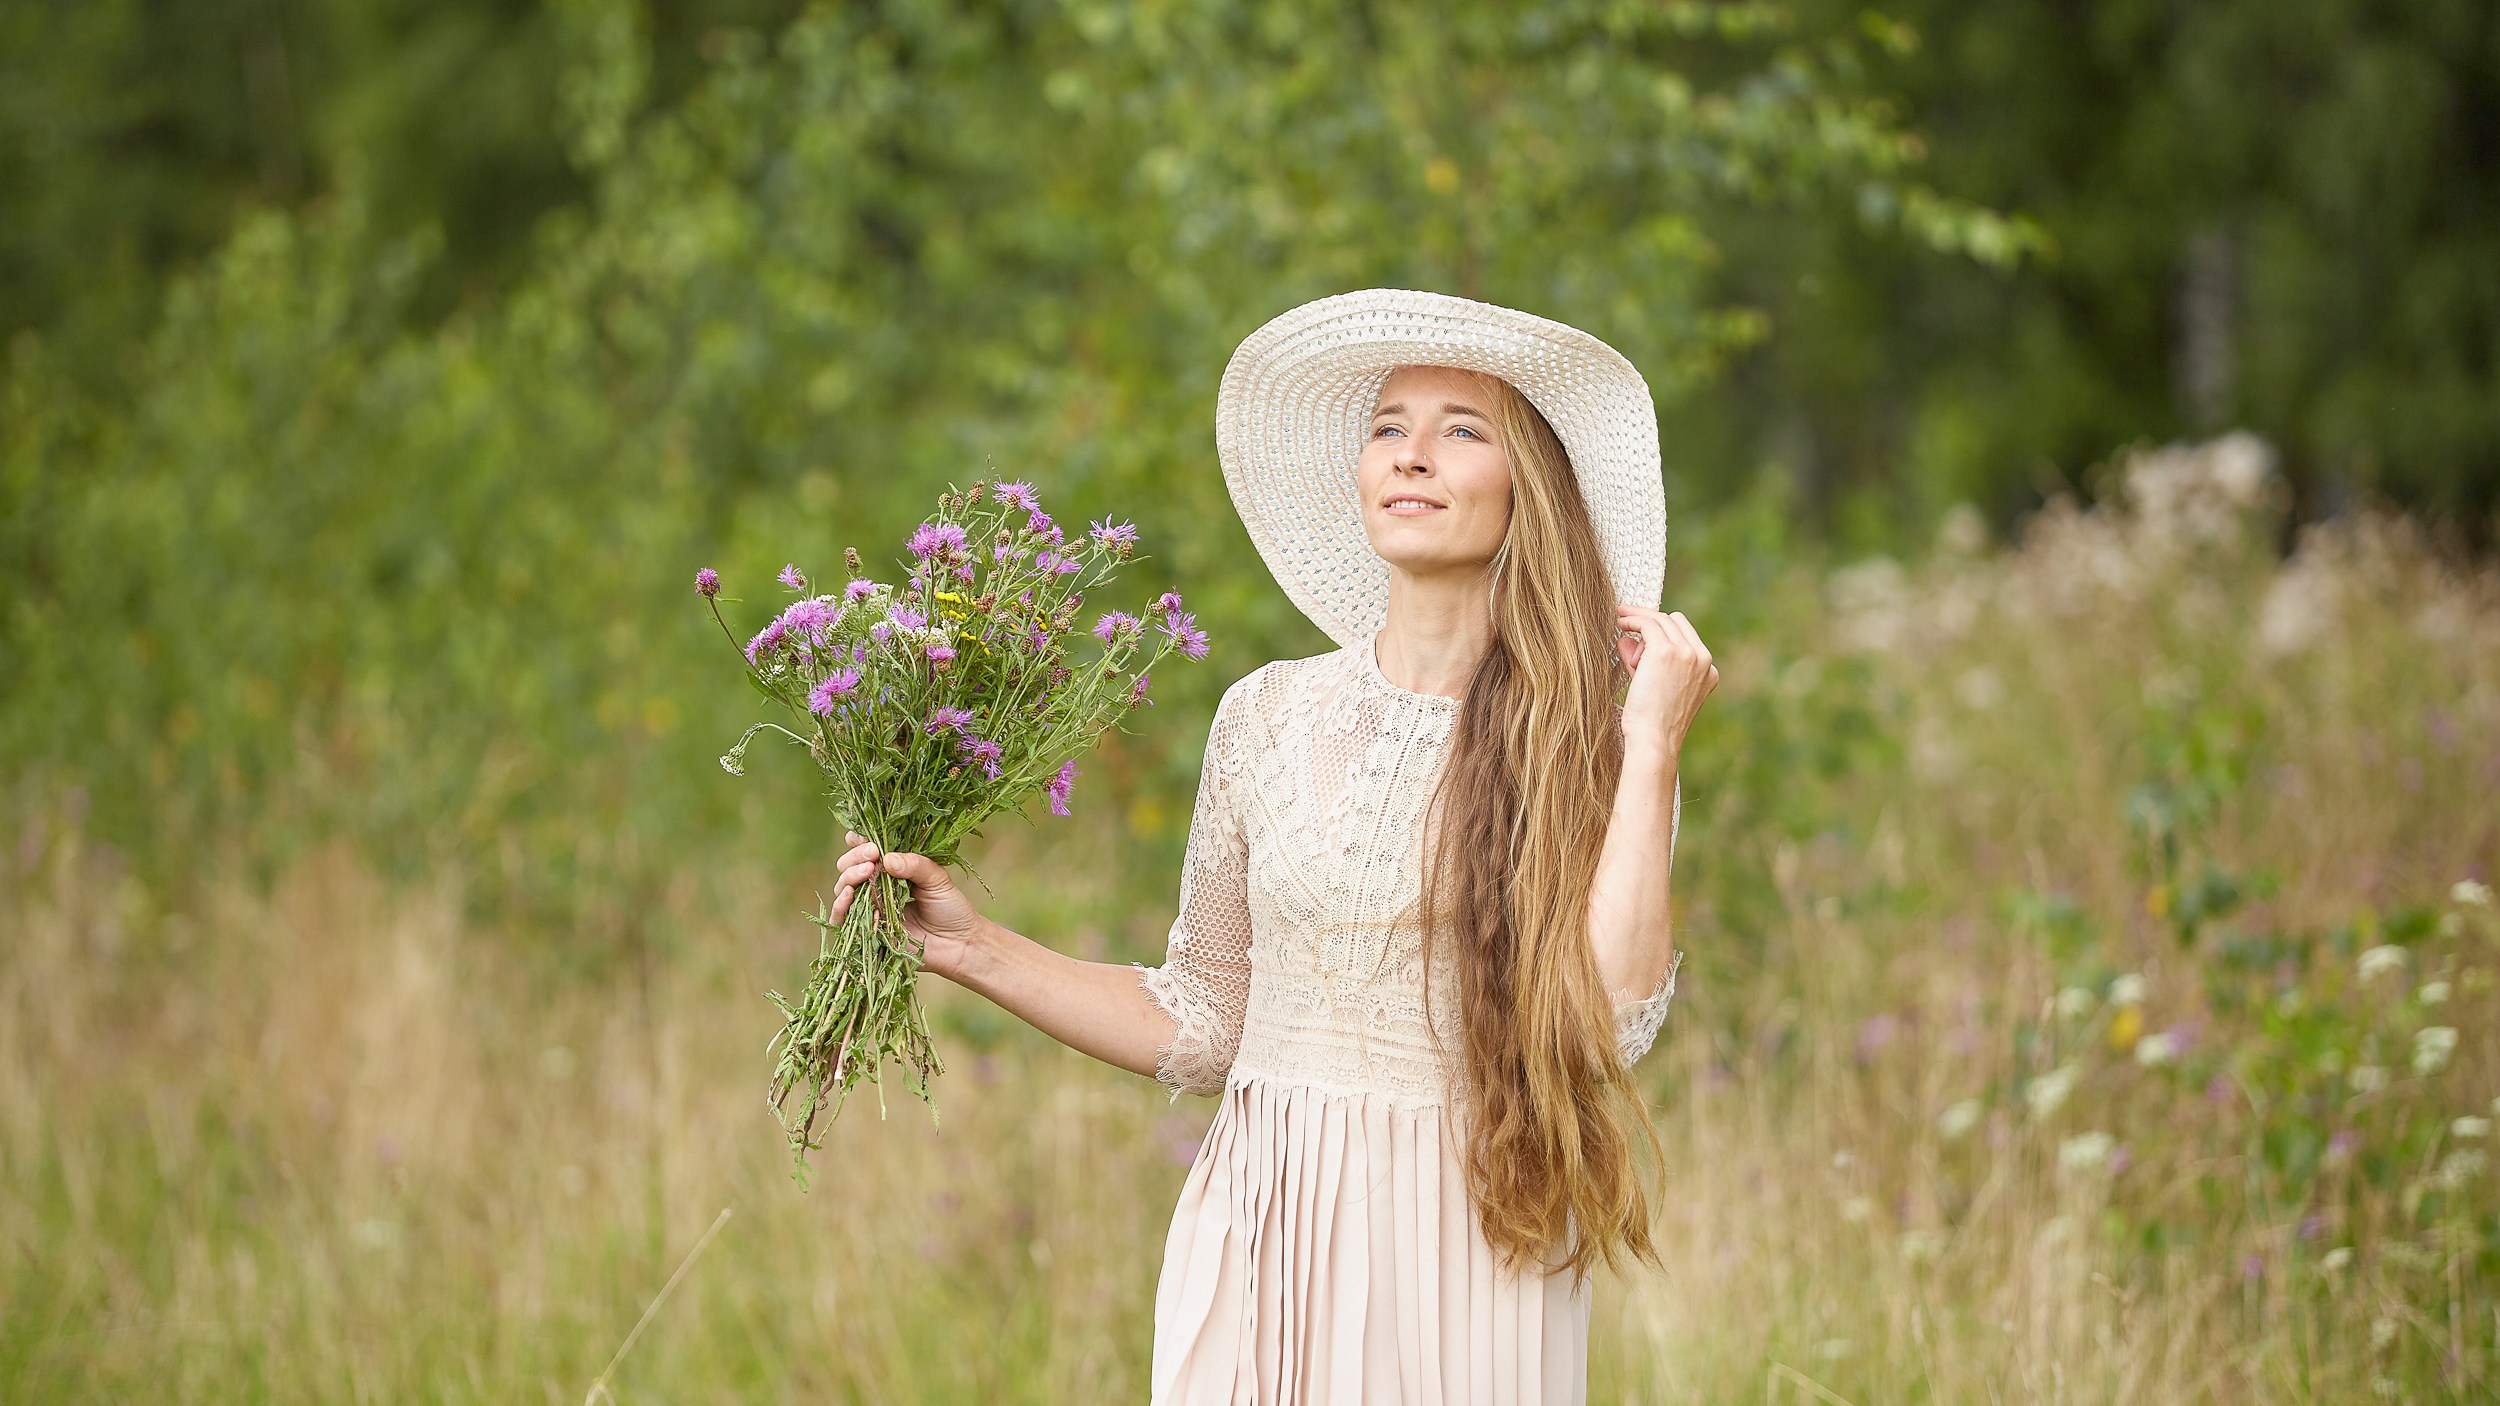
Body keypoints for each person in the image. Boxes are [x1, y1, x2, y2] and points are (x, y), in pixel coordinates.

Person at [825, 289, 1718, 1404]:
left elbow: (1616, 1015)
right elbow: (1204, 1023)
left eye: (1461, 429)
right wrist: (967, 944)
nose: (1412, 455)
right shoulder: (1265, 714)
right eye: (1388, 426)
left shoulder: (1588, 736)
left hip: (1474, 1238)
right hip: (1264, 1227)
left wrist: (1650, 745)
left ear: (1527, 488)